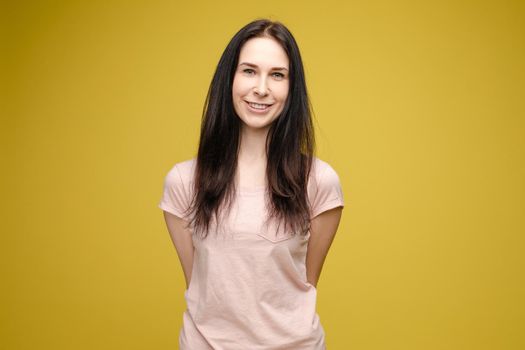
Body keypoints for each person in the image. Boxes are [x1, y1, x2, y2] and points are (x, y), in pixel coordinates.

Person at [158, 18, 344, 350]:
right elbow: (200, 285)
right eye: (248, 71)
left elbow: (303, 286)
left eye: (277, 75)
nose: (261, 88)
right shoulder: (184, 182)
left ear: (292, 87)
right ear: (228, 79)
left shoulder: (318, 182)